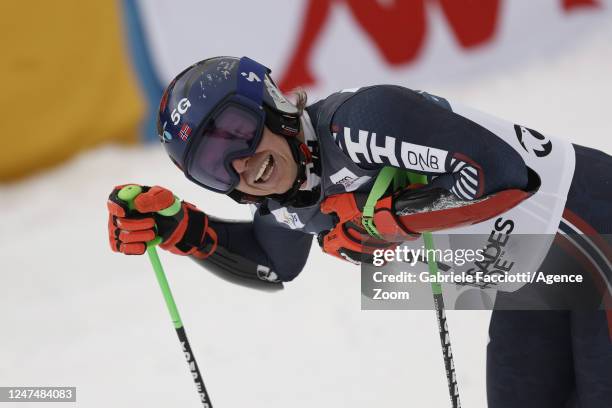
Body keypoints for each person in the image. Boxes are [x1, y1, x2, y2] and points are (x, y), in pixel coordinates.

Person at [107, 56, 612, 407]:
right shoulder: (291, 194)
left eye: (237, 131)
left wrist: (379, 221)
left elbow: (499, 177)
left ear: (272, 104)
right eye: (215, 166)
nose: (242, 164)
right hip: (534, 272)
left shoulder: (362, 120)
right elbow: (273, 261)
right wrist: (184, 232)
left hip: (593, 226)